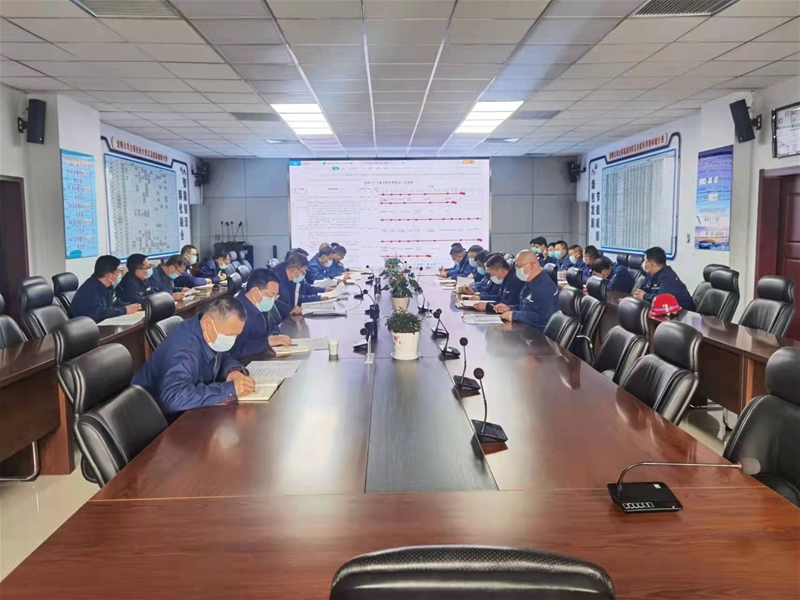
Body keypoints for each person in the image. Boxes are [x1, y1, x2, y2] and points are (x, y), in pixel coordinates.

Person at [132, 296, 255, 420]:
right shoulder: (184, 347)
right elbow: (174, 397)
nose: (231, 340)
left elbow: (221, 356)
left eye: (236, 335)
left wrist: (232, 371)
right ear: (208, 323)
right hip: (158, 419)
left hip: (191, 410)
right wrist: (230, 389)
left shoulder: (208, 332)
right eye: (229, 334)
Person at [232, 268, 292, 359]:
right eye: (271, 295)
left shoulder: (261, 305)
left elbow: (273, 325)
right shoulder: (235, 312)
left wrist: (273, 335)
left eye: (275, 296)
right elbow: (235, 350)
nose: (272, 300)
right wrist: (267, 342)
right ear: (255, 292)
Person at [493, 249, 559, 331]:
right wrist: (510, 308)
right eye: (516, 267)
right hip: (526, 329)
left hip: (538, 334)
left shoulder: (544, 287)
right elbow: (526, 307)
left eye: (519, 266)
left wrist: (515, 315)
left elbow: (545, 319)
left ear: (532, 265)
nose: (516, 270)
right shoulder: (530, 281)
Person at [71, 255, 140, 322]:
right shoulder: (89, 289)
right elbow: (98, 313)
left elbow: (115, 302)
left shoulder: (109, 286)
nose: (120, 273)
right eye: (118, 271)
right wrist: (124, 310)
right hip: (87, 326)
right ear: (109, 275)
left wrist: (131, 306)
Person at [634, 246, 695, 311]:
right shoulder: (650, 273)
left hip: (683, 311)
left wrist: (644, 296)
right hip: (664, 309)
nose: (643, 263)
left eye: (645, 261)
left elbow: (662, 300)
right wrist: (638, 293)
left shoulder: (668, 277)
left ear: (652, 264)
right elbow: (644, 289)